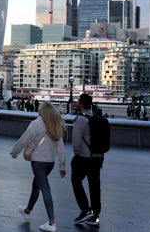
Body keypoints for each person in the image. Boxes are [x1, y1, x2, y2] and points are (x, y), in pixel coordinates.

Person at [10, 102, 66, 232]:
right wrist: (62, 165)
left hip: (38, 162)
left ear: (42, 111)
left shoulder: (36, 123)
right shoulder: (55, 124)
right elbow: (60, 147)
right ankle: (27, 210)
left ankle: (51, 222)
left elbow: (25, 139)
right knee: (37, 184)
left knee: (45, 188)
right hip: (50, 163)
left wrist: (15, 152)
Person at [71, 93, 104, 227]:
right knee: (95, 185)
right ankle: (95, 216)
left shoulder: (80, 119)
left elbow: (76, 142)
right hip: (98, 157)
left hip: (84, 157)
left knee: (76, 180)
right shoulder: (96, 117)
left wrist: (77, 154)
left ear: (82, 104)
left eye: (78, 101)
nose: (77, 103)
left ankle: (85, 209)